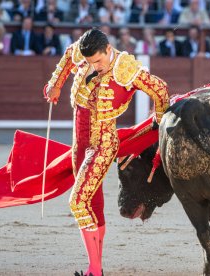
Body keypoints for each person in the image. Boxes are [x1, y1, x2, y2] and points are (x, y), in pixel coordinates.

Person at [44, 28, 169, 276]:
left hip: (102, 143)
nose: (95, 67)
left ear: (108, 50)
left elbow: (160, 88)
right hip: (79, 141)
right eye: (90, 63)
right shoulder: (84, 53)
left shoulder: (126, 69)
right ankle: (96, 268)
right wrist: (54, 85)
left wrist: (160, 118)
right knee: (93, 203)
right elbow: (69, 56)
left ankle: (95, 270)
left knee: (78, 202)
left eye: (99, 61)